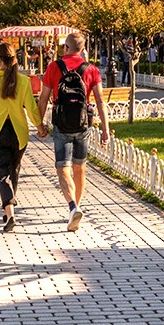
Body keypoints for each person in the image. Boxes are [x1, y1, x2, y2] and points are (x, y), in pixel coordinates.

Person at [37, 32, 111, 231]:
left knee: (62, 168)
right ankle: (76, 208)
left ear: (66, 48)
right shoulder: (91, 69)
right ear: (83, 49)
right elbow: (101, 101)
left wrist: (40, 124)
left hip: (61, 125)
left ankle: (72, 208)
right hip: (83, 124)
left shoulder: (54, 67)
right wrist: (106, 130)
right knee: (79, 168)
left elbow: (43, 98)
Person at [0, 41, 42, 232]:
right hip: (18, 133)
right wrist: (40, 126)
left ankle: (9, 211)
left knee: (2, 173)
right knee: (14, 170)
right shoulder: (24, 81)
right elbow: (31, 107)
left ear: (0, 60)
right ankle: (8, 207)